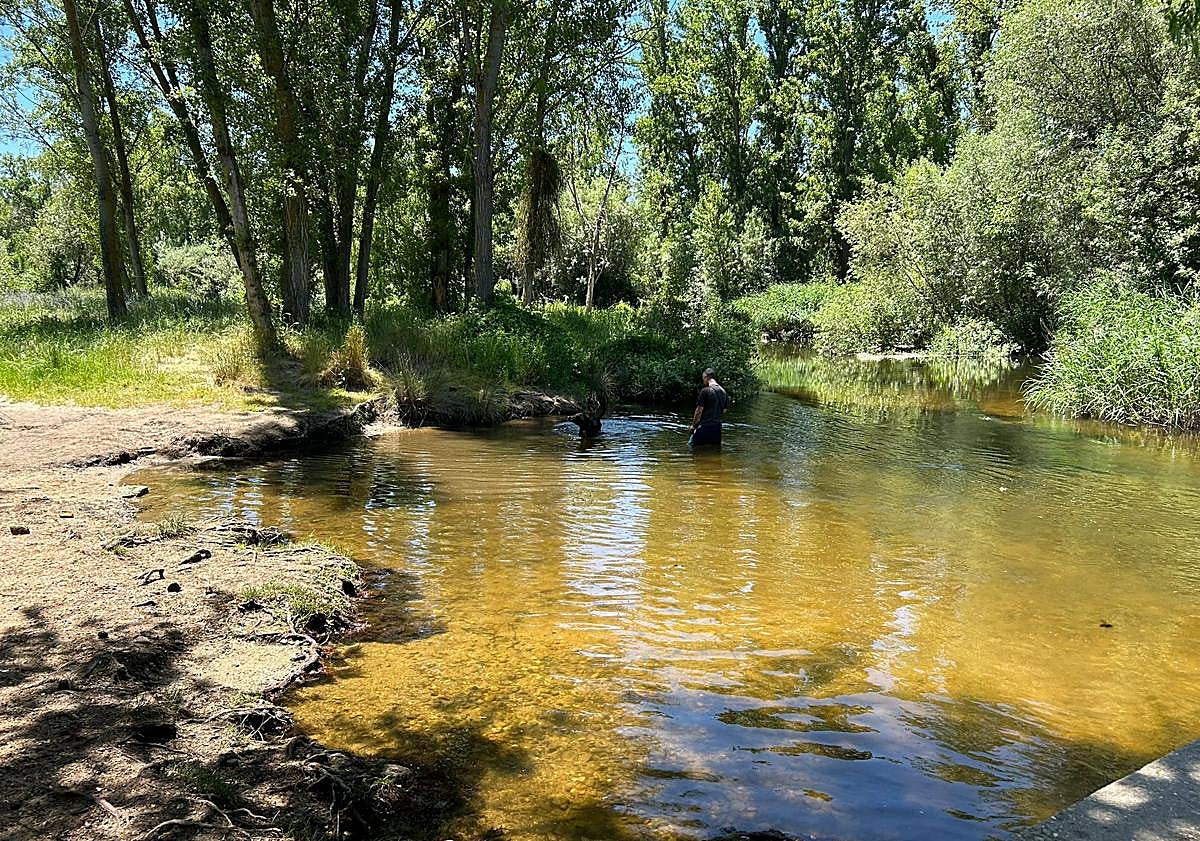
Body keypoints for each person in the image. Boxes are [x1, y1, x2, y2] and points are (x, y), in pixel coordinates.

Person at [689, 368, 728, 447]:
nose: (703, 381)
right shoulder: (723, 392)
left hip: (704, 427)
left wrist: (693, 426)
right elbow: (724, 410)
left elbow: (699, 411)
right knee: (714, 451)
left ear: (706, 377)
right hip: (717, 429)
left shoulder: (705, 391)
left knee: (692, 449)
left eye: (703, 378)